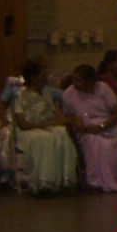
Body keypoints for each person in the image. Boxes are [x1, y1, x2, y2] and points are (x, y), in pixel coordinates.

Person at [13, 58, 78, 194]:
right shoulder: (20, 96)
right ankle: (44, 182)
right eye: (42, 74)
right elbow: (22, 123)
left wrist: (68, 120)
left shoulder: (47, 93)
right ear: (33, 78)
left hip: (47, 127)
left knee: (61, 133)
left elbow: (55, 116)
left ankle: (64, 180)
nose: (45, 77)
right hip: (29, 130)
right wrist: (41, 126)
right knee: (44, 138)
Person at [61, 62, 117, 192]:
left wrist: (102, 126)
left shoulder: (103, 88)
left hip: (108, 124)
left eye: (79, 80)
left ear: (90, 81)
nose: (75, 83)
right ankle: (96, 181)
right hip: (86, 129)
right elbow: (68, 116)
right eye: (74, 80)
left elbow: (115, 113)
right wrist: (79, 124)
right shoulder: (69, 93)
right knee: (95, 142)